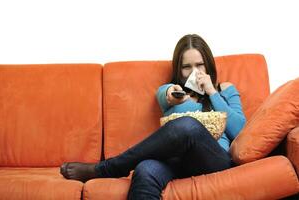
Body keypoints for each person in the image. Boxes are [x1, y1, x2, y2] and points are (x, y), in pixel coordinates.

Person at [60, 34, 246, 200]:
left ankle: (106, 169)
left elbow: (239, 130)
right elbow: (166, 94)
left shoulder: (225, 89)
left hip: (213, 159)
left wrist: (212, 91)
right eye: (186, 67)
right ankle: (114, 168)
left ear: (208, 64)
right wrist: (173, 95)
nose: (193, 72)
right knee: (145, 169)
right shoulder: (173, 92)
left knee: (189, 125)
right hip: (176, 162)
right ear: (178, 70)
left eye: (199, 65)